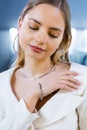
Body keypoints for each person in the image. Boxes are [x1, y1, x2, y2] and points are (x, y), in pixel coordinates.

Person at [0, 0, 87, 129]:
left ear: (62, 39)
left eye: (53, 34)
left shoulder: (81, 78)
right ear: (20, 23)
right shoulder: (2, 82)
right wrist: (36, 91)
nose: (40, 40)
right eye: (33, 27)